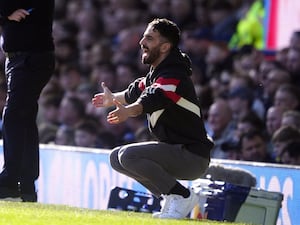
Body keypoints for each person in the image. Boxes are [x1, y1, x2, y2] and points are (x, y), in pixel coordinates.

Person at [92, 18, 214, 219]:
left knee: (128, 156)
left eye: (149, 38)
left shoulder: (173, 74)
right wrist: (112, 98)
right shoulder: (157, 74)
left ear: (165, 47)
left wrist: (128, 111)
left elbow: (154, 98)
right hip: (177, 152)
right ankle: (172, 199)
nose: (141, 42)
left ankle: (181, 196)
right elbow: (134, 92)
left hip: (192, 156)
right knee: (116, 158)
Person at [0, 1, 55, 202]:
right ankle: (25, 184)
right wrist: (5, 15)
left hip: (31, 57)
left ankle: (10, 181)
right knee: (23, 118)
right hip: (19, 58)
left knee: (14, 114)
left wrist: (5, 14)